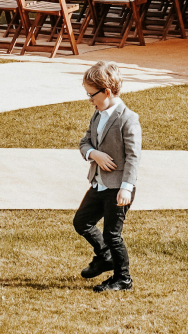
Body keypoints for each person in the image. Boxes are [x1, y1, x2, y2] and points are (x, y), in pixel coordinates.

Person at [74, 61, 141, 292]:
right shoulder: (98, 114)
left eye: (91, 95)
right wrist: (95, 154)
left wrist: (127, 187)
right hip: (99, 183)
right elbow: (84, 142)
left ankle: (123, 279)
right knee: (81, 222)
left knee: (112, 235)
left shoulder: (127, 118)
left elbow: (133, 156)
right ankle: (104, 257)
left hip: (118, 188)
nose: (89, 100)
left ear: (108, 92)